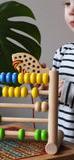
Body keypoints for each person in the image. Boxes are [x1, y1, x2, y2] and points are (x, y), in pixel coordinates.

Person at [52, 0, 74, 143]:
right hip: (64, 145)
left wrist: (68, 90)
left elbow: (66, 92)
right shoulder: (62, 53)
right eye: (67, 3)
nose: (71, 10)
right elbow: (53, 101)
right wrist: (42, 87)